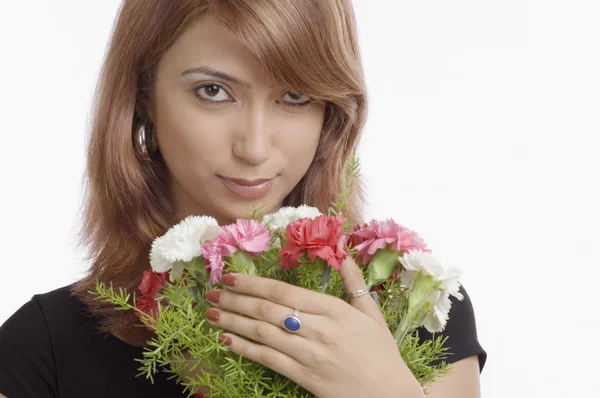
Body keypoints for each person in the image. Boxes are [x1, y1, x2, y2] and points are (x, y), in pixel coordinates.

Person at [0, 1, 486, 397]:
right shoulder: (43, 350)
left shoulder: (414, 312)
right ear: (143, 94)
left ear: (331, 111)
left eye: (294, 96)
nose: (254, 148)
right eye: (213, 91)